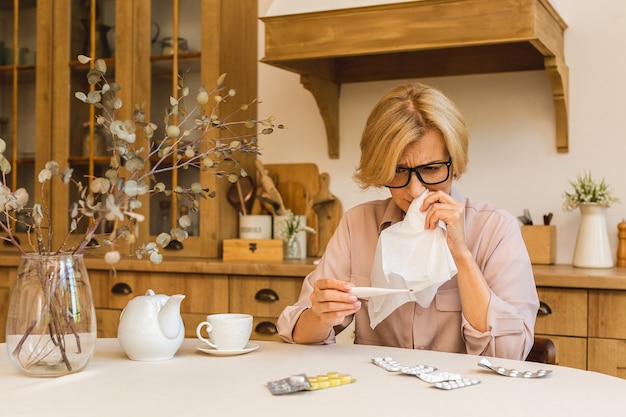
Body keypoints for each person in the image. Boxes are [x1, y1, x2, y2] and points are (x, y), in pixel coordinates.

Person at [277, 83, 539, 360]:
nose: (415, 190)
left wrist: (461, 255)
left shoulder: (496, 230)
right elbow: (298, 338)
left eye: (431, 169)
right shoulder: (358, 225)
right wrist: (321, 314)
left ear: (455, 163)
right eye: (398, 171)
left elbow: (510, 355)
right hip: (378, 392)